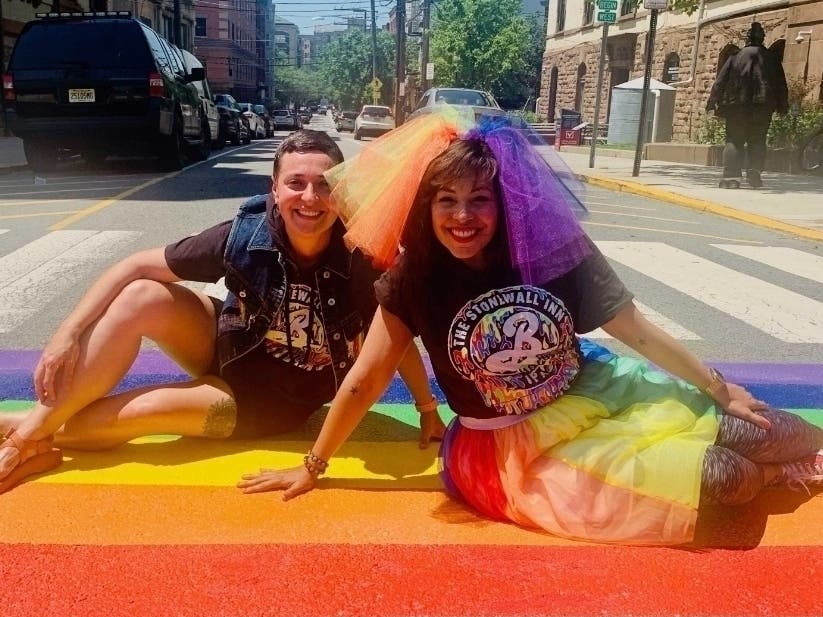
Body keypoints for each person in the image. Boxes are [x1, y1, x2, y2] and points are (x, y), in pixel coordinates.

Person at [239, 113, 823, 546]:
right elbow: (366, 379)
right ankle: (753, 472)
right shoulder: (412, 278)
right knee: (732, 478)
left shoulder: (547, 250)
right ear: (425, 207)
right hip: (507, 450)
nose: (463, 216)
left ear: (505, 204)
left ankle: (765, 455)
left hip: (597, 393)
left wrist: (718, 388)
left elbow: (635, 329)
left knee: (772, 430)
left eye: (479, 199)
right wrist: (313, 466)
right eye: (446, 200)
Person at [0, 129, 444, 494]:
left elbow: (394, 338)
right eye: (295, 183)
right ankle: (26, 439)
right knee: (141, 294)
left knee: (133, 417)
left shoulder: (363, 255)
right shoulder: (246, 233)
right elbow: (132, 265)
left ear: (341, 191)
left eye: (324, 184)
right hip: (225, 346)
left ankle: (24, 432)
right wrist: (66, 335)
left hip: (263, 403)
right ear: (274, 188)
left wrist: (427, 410)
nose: (310, 197)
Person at [706, 22, 789, 189]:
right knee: (758, 140)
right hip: (762, 105)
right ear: (762, 39)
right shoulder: (771, 58)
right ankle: (754, 172)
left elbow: (720, 82)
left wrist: (712, 101)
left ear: (747, 38)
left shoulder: (734, 57)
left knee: (734, 140)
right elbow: (780, 84)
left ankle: (731, 177)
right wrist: (782, 105)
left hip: (737, 105)